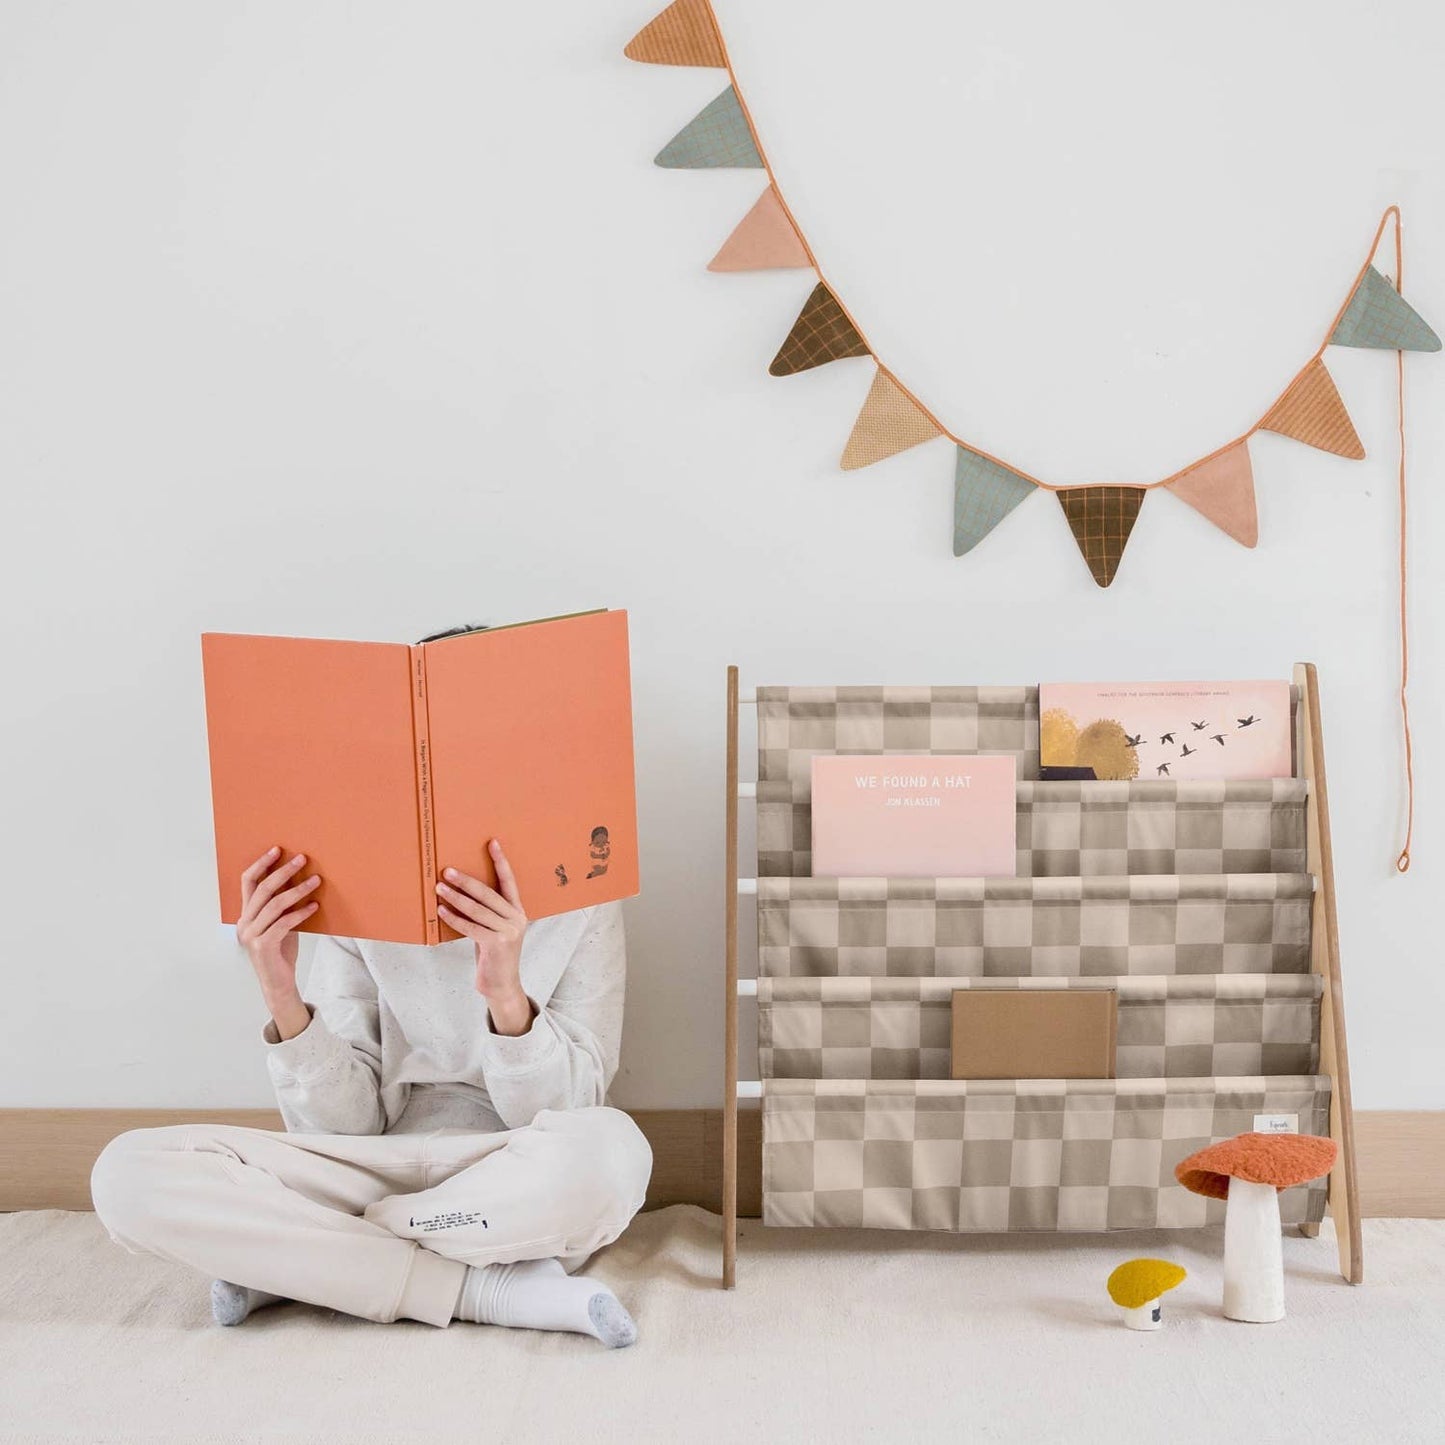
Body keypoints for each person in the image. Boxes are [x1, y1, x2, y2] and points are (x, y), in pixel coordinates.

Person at [90, 830, 653, 1347]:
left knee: (614, 1153)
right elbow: (342, 1127)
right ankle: (487, 1291)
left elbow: (569, 1111)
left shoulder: (589, 884)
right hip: (370, 1166)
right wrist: (282, 996)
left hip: (507, 1176)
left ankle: (311, 1260)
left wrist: (507, 997)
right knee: (125, 1174)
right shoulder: (359, 880)